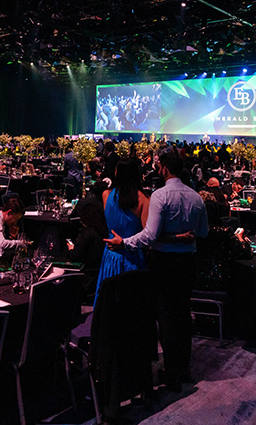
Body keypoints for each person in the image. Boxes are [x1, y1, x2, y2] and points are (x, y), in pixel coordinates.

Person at [105, 152, 208, 393]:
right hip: (188, 263)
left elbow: (149, 236)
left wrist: (124, 242)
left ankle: (172, 375)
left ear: (163, 169)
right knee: (183, 314)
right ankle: (183, 368)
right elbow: (203, 233)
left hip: (164, 263)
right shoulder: (196, 197)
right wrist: (179, 237)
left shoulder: (160, 195)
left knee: (166, 318)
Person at [95, 158, 150, 301]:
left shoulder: (106, 195)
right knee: (130, 303)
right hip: (133, 256)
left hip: (111, 254)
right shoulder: (143, 199)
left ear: (117, 174)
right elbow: (147, 235)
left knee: (109, 302)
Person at [66, 198, 109, 304]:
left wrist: (71, 250)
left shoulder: (86, 234)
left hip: (87, 281)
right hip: (102, 276)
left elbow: (76, 256)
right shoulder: (105, 231)